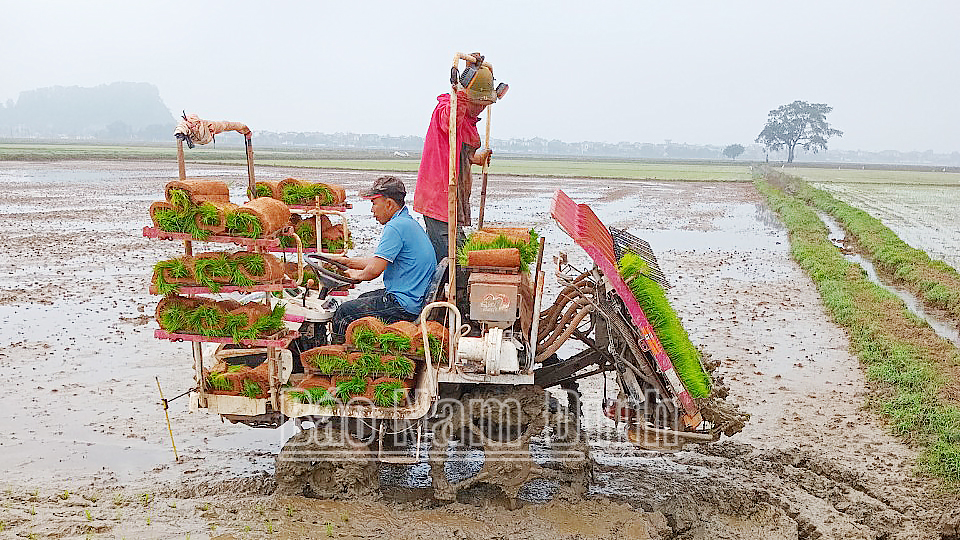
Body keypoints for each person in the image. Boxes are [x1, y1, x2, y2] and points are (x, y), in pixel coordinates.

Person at [413, 58, 503, 263]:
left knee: (452, 257)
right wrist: (461, 92)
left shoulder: (468, 121)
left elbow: (462, 155)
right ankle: (447, 293)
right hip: (439, 197)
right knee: (453, 260)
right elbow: (449, 124)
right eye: (478, 103)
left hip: (455, 199)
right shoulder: (447, 110)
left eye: (484, 105)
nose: (481, 109)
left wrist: (477, 158)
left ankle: (443, 291)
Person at [328, 176, 437, 340]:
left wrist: (353, 276)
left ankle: (339, 355)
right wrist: (347, 262)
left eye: (373, 203)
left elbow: (374, 270)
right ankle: (360, 349)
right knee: (362, 299)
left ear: (389, 204)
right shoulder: (406, 222)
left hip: (404, 305)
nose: (372, 210)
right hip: (412, 297)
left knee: (344, 312)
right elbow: (379, 261)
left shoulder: (395, 227)